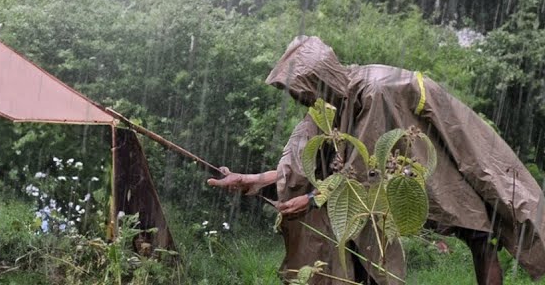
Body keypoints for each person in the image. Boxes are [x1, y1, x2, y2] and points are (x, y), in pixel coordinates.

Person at [208, 35, 545, 285]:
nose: (299, 99)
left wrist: (311, 199)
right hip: (405, 165)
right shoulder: (333, 100)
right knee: (370, 232)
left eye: (300, 91)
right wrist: (252, 180)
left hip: (444, 156)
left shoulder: (374, 90)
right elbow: (301, 159)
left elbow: (362, 170)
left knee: (480, 233)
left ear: (319, 80)